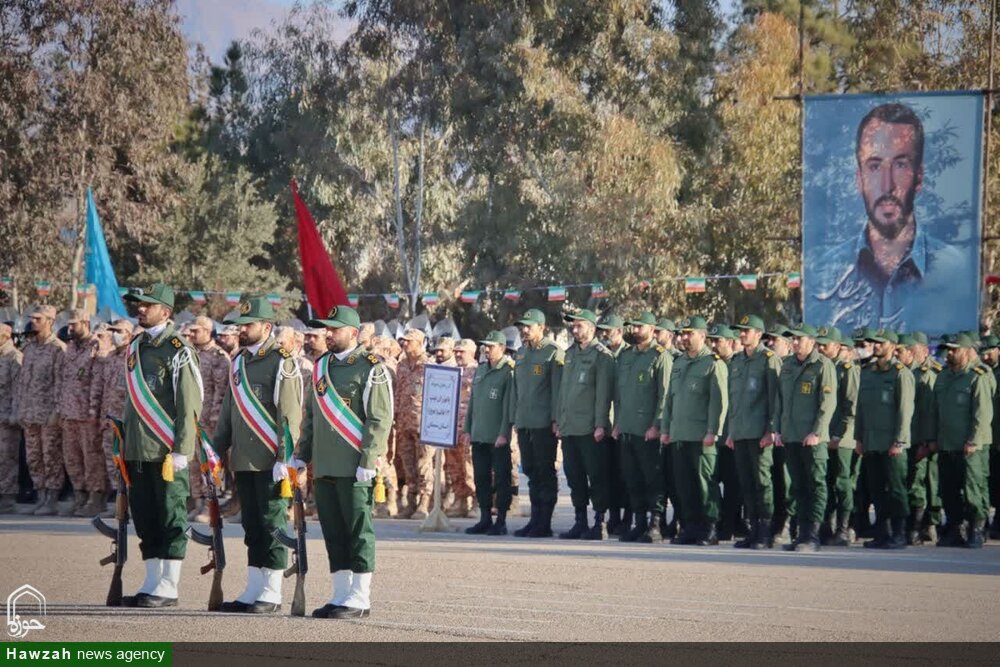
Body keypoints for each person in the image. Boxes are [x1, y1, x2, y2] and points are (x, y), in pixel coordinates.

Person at [810, 103, 969, 332]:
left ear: (919, 177)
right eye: (874, 166)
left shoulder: (953, 271)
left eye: (900, 164)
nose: (887, 185)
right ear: (859, 178)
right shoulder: (826, 272)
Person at [208, 298, 302, 613]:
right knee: (251, 524)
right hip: (243, 459)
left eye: (248, 324)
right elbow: (227, 412)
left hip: (270, 460)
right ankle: (253, 587)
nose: (242, 330)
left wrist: (283, 457)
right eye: (240, 325)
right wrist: (215, 450)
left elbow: (289, 415)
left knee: (272, 522)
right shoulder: (238, 362)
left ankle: (272, 591)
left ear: (266, 327)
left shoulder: (281, 360)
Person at [298, 305, 392, 619]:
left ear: (352, 333)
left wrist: (369, 458)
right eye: (326, 328)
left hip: (355, 465)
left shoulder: (370, 367)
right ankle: (341, 594)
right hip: (324, 466)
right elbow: (311, 418)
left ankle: (360, 597)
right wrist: (301, 456)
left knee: (357, 530)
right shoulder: (320, 366)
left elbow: (379, 418)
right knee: (333, 531)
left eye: (334, 329)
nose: (328, 333)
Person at [120, 283, 203, 608]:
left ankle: (168, 585)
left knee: (170, 516)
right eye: (138, 304)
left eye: (147, 305)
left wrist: (183, 449)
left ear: (165, 312)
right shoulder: (136, 346)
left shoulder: (179, 349)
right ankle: (151, 580)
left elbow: (189, 403)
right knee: (145, 516)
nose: (140, 309)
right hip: (138, 449)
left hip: (167, 451)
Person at [660, 316, 728, 546]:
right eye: (683, 334)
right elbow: (670, 399)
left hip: (701, 436)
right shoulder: (678, 363)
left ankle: (710, 528)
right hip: (679, 434)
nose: (685, 338)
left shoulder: (713, 363)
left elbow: (719, 402)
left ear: (703, 336)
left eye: (690, 333)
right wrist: (666, 429)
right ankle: (690, 526)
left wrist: (713, 431)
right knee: (684, 483)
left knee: (704, 482)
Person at [929, 333, 993, 548]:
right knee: (948, 488)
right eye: (949, 349)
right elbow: (937, 411)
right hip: (947, 442)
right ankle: (955, 528)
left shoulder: (978, 375)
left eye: (955, 349)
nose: (950, 353)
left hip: (970, 445)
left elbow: (982, 413)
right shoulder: (944, 375)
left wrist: (973, 441)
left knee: (973, 487)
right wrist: (935, 438)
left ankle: (977, 529)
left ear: (967, 351)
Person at [776, 324, 836, 552]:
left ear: (811, 342)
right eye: (793, 339)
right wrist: (779, 430)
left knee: (816, 485)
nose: (795, 343)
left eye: (800, 339)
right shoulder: (788, 365)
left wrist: (817, 432)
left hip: (812, 438)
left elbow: (827, 403)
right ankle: (801, 534)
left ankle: (813, 534)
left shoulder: (823, 365)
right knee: (798, 487)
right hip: (791, 436)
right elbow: (781, 401)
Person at [556, 309, 614, 540]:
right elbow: (563, 392)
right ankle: (580, 520)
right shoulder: (569, 354)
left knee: (596, 476)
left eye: (579, 326)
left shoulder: (602, 355)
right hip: (570, 426)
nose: (574, 329)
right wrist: (560, 421)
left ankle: (600, 522)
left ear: (591, 328)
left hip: (590, 428)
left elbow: (604, 394)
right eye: (573, 326)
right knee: (574, 475)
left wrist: (601, 424)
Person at [854, 330, 914, 549]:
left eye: (881, 343)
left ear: (892, 346)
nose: (876, 346)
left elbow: (904, 411)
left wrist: (899, 441)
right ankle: (883, 533)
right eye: (874, 343)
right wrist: (859, 438)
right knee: (876, 489)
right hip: (871, 441)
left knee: (896, 490)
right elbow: (861, 408)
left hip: (892, 443)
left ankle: (899, 533)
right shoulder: (867, 372)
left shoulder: (900, 373)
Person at [613, 312, 669, 543]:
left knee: (652, 478)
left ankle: (656, 523)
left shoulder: (660, 356)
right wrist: (617, 423)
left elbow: (664, 395)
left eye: (639, 326)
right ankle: (639, 522)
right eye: (633, 326)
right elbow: (620, 393)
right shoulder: (626, 355)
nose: (635, 330)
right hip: (627, 427)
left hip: (647, 430)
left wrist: (656, 424)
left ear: (652, 329)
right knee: (632, 477)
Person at [727, 314, 782, 550]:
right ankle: (753, 528)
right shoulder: (737, 361)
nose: (741, 334)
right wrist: (731, 431)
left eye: (746, 331)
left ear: (758, 334)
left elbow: (775, 400)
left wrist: (771, 430)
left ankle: (766, 530)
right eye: (740, 331)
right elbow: (733, 400)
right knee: (746, 482)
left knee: (762, 482)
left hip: (760, 433)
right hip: (740, 431)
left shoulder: (768, 360)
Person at [510, 309, 563, 537]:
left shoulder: (553, 353)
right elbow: (517, 389)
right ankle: (534, 519)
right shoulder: (521, 354)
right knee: (530, 471)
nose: (524, 330)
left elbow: (558, 390)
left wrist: (555, 419)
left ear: (541, 327)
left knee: (545, 471)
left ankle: (545, 523)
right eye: (522, 326)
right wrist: (515, 418)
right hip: (525, 422)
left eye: (528, 326)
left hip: (544, 423)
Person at [14, 305, 65, 516]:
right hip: (30, 412)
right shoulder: (29, 348)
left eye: (38, 318)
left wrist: (57, 411)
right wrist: (20, 408)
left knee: (50, 456)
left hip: (48, 413)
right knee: (33, 457)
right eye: (32, 318)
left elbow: (60, 383)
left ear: (50, 321)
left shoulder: (58, 349)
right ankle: (41, 495)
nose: (33, 321)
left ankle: (52, 499)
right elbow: (22, 381)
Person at [463, 331, 516, 535]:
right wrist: (468, 429)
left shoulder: (507, 371)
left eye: (491, 346)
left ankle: (500, 520)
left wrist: (504, 433)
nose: (486, 349)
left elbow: (508, 406)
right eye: (485, 346)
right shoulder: (481, 369)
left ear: (502, 348)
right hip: (479, 435)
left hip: (497, 437)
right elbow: (473, 403)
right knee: (481, 478)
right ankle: (485, 517)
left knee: (502, 479)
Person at [184, 316, 231, 523]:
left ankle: (211, 504)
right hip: (191, 418)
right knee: (193, 463)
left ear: (207, 331)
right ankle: (197, 501)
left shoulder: (219, 357)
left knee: (209, 464)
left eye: (196, 331)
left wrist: (215, 419)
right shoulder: (189, 354)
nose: (191, 335)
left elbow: (222, 392)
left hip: (209, 421)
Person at [816, 326, 859, 547]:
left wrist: (837, 435)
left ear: (838, 346)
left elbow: (850, 407)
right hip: (823, 436)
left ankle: (843, 529)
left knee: (842, 484)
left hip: (842, 439)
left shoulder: (847, 369)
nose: (821, 348)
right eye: (819, 344)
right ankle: (825, 527)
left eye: (825, 345)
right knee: (825, 482)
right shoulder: (823, 367)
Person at [88, 319, 135, 511]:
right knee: (112, 461)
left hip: (127, 421)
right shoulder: (110, 358)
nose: (115, 334)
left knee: (129, 463)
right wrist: (96, 413)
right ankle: (119, 502)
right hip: (109, 420)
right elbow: (100, 387)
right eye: (113, 331)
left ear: (129, 335)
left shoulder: (134, 358)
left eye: (120, 331)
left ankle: (131, 503)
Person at [707, 324, 743, 541]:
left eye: (718, 341)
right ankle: (721, 521)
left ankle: (731, 524)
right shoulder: (713, 364)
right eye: (712, 341)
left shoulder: (738, 365)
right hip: (716, 435)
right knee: (713, 480)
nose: (714, 345)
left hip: (732, 434)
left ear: (730, 342)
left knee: (733, 484)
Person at [394, 328, 432, 519]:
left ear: (420, 342)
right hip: (403, 423)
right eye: (403, 341)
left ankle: (424, 503)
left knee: (424, 464)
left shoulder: (429, 365)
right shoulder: (401, 365)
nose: (405, 344)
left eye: (409, 341)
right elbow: (398, 392)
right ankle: (410, 502)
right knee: (408, 465)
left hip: (423, 424)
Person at [597, 313, 630, 535]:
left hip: (624, 422)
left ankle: (627, 519)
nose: (605, 334)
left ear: (619, 331)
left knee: (625, 474)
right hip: (606, 424)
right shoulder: (603, 355)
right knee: (607, 473)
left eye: (609, 330)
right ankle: (614, 516)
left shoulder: (629, 354)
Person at [0, 323, 23, 513]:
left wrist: (15, 413)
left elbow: (18, 389)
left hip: (7, 416)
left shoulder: (14, 356)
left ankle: (7, 497)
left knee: (7, 457)